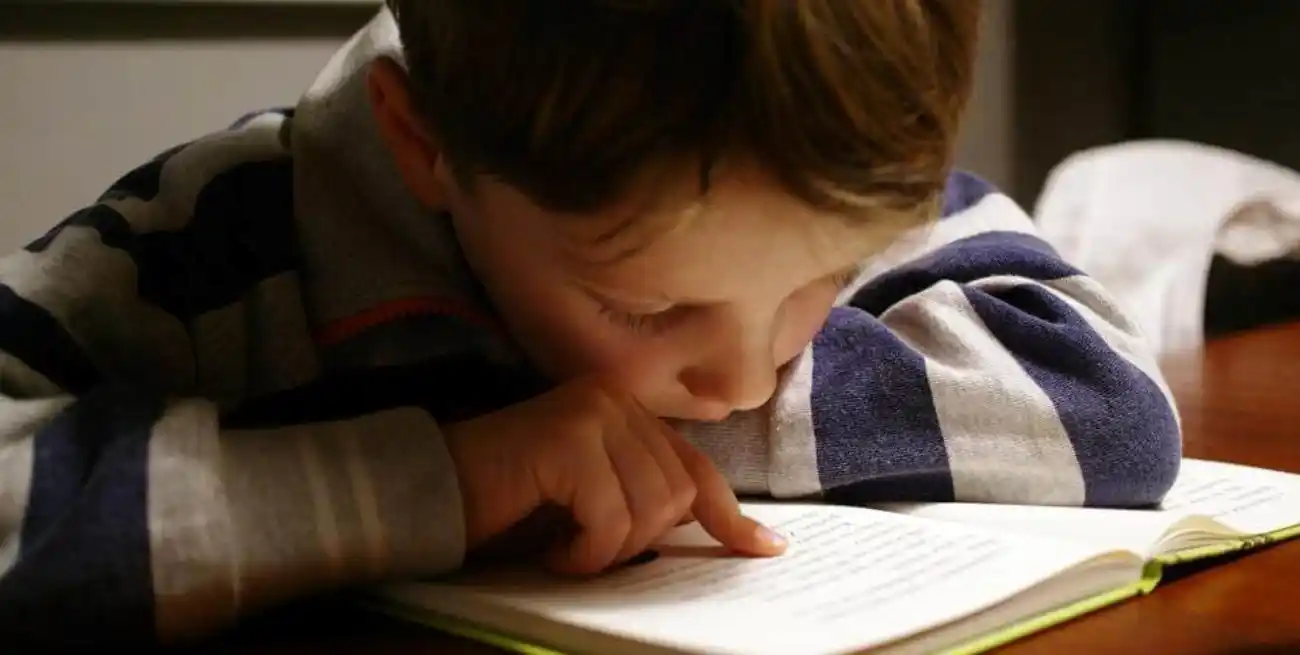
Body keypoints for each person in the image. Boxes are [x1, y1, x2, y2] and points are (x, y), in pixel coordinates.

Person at [0, 0, 1181, 649]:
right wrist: (441, 474)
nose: (742, 375)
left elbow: (1109, 403)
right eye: (647, 304)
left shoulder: (810, 160)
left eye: (823, 277)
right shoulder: (198, 247)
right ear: (425, 148)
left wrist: (633, 451)